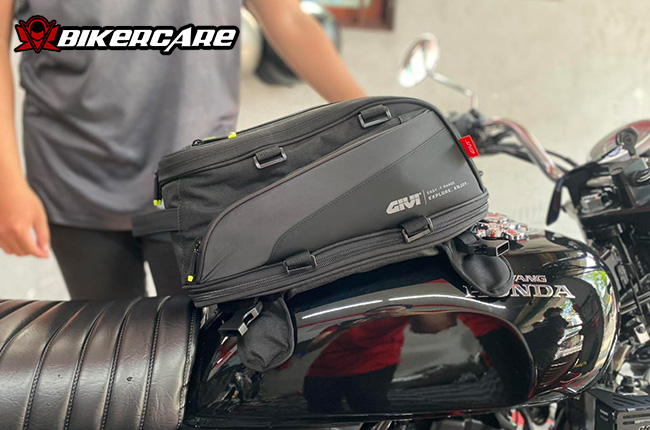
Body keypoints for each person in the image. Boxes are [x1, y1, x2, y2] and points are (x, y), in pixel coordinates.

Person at [0, 0, 366, 299]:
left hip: (196, 179)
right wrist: (7, 181)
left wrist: (382, 120)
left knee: (205, 346)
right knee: (109, 350)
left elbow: (289, 19)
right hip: (72, 171)